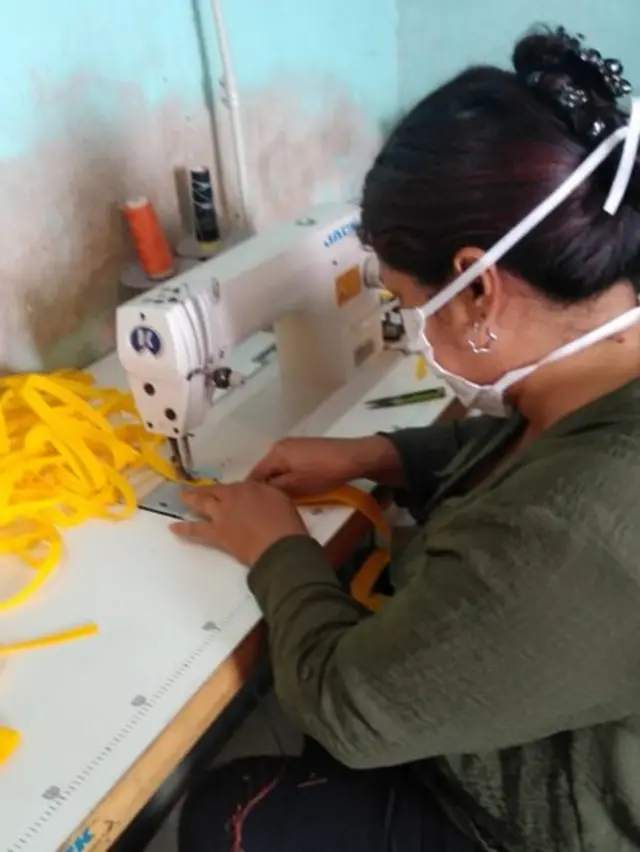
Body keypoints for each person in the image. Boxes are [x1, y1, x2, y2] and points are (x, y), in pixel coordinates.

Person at [174, 26, 640, 852]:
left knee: (229, 811)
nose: (412, 327)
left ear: (479, 290)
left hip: (551, 825)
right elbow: (527, 451)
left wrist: (280, 550)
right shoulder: (598, 379)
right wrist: (378, 455)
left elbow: (350, 710)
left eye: (407, 302)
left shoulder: (572, 532)